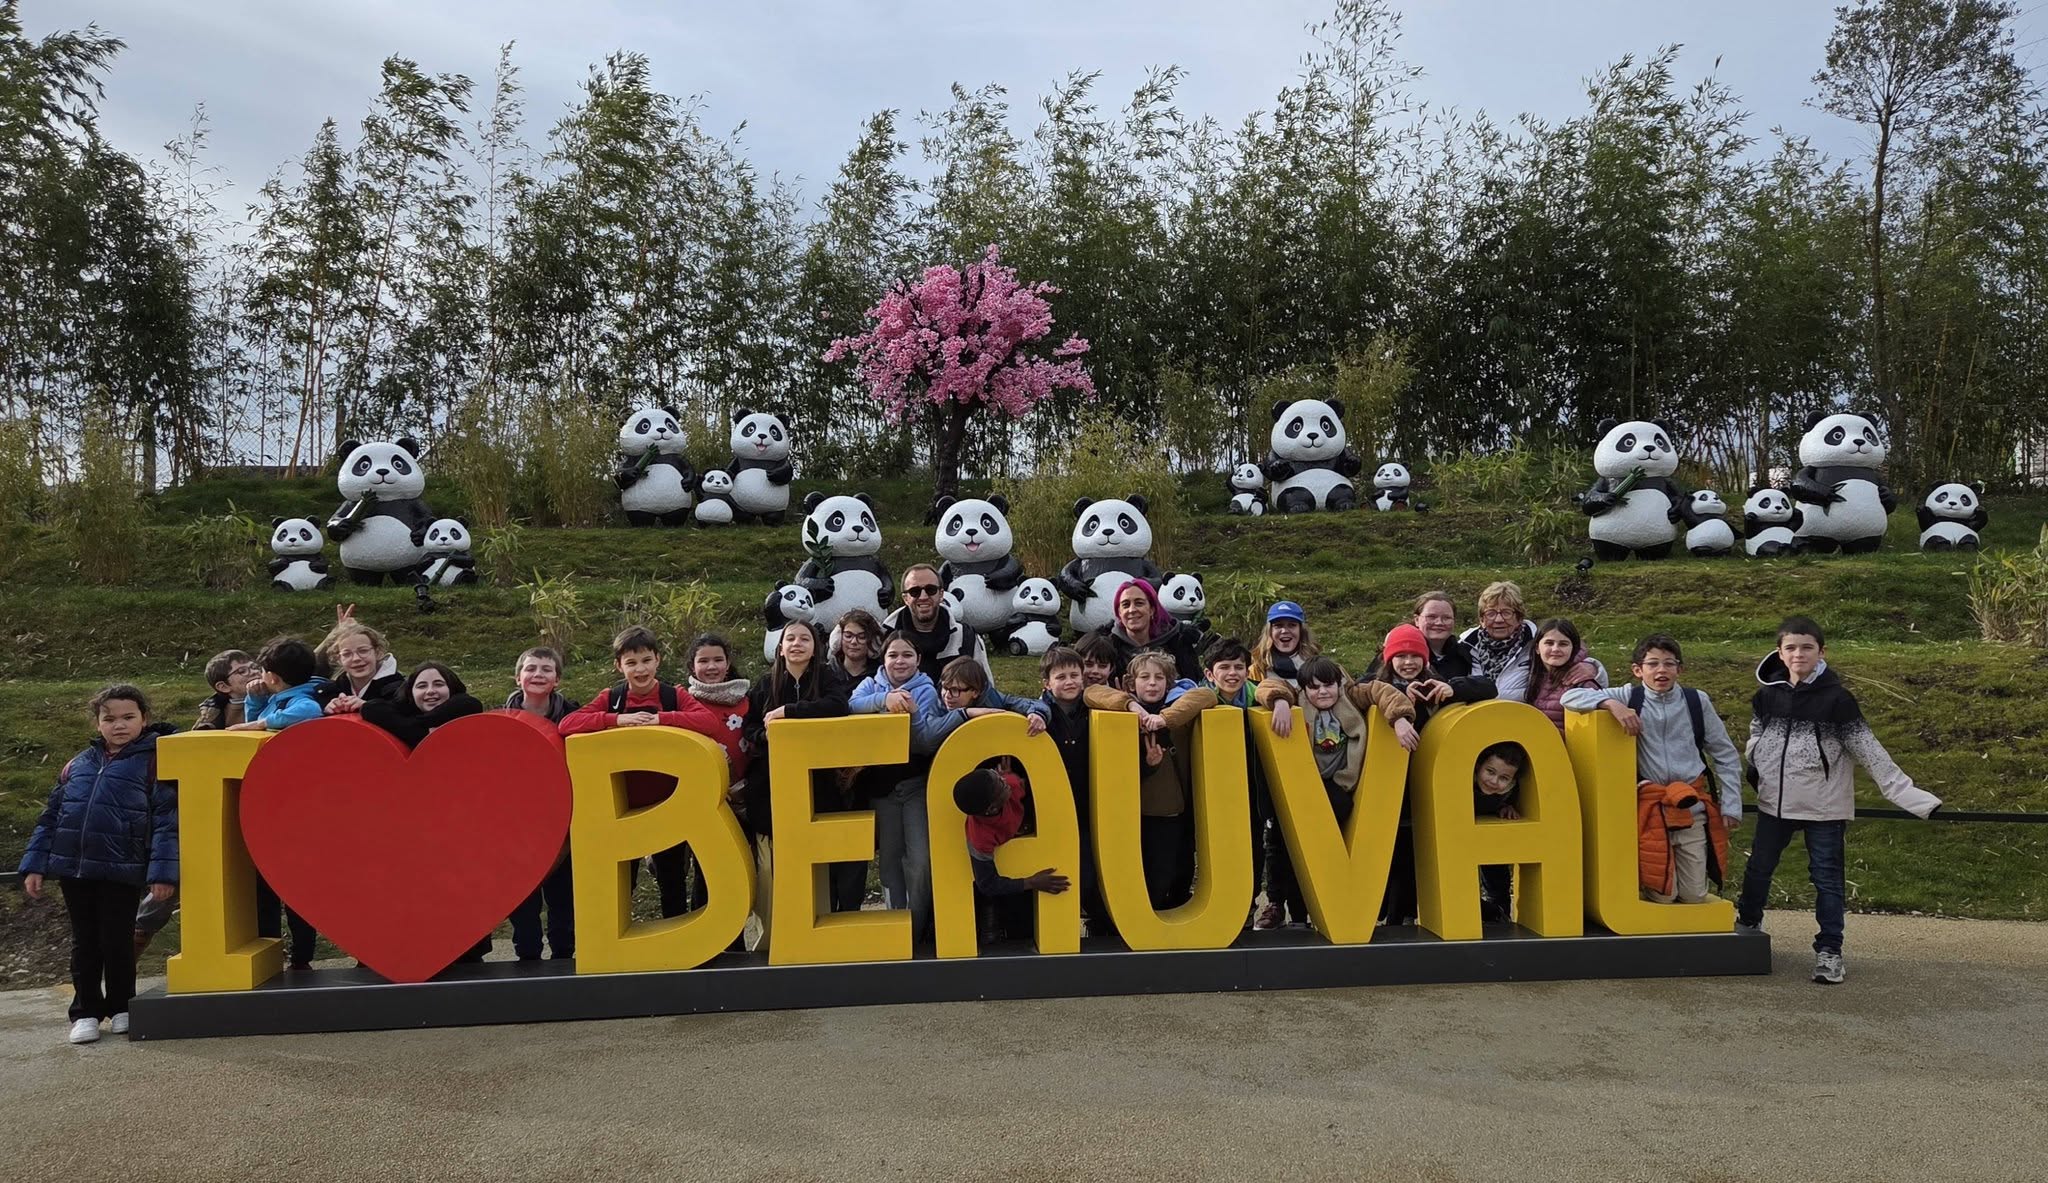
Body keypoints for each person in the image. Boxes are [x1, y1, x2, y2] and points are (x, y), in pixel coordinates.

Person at [1734, 617, 1940, 985]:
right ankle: (1747, 926)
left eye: (1807, 647)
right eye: (1791, 647)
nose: (1799, 654)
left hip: (1824, 807)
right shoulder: (1766, 695)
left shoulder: (1838, 700)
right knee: (1758, 869)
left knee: (1827, 880)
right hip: (1773, 804)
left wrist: (1911, 797)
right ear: (1780, 653)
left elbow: (1869, 750)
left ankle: (1830, 951)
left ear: (1821, 652)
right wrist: (1757, 760)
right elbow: (1756, 734)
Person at [18, 685, 178, 1044]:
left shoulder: (156, 762)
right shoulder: (78, 764)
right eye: (109, 718)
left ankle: (122, 1006)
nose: (119, 725)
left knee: (118, 940)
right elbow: (51, 818)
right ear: (98, 723)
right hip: (74, 870)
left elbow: (167, 822)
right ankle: (85, 1012)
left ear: (144, 719)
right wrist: (35, 865)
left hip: (122, 869)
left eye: (128, 717)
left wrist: (162, 873)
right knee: (85, 942)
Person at [1563, 634, 1743, 907]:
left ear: (1680, 669)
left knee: (1694, 895)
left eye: (1669, 664)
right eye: (1653, 664)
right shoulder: (1630, 696)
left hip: (1691, 808)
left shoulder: (1696, 701)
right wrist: (1611, 704)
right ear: (1638, 670)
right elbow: (1570, 696)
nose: (1662, 670)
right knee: (1663, 895)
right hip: (1652, 810)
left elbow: (1725, 753)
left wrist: (1732, 804)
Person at [559, 627, 696, 917]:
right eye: (631, 663)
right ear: (618, 666)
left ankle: (676, 938)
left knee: (672, 880)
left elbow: (707, 721)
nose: (640, 669)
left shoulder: (674, 695)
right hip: (622, 809)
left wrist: (662, 719)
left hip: (668, 804)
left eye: (646, 660)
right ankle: (616, 935)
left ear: (658, 659)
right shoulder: (613, 698)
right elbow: (567, 724)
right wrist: (616, 719)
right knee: (622, 882)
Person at [1366, 623, 1495, 924]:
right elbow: (1360, 690)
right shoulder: (1376, 683)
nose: (1408, 662)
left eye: (1415, 656)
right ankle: (1390, 915)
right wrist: (1401, 693)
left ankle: (1412, 915)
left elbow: (1488, 687)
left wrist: (1454, 689)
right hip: (1389, 786)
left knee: (1420, 853)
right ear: (1388, 659)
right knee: (1393, 853)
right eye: (1401, 656)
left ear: (1425, 659)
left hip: (1429, 786)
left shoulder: (1436, 685)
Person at [848, 629, 966, 940]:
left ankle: (918, 925)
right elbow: (853, 704)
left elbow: (923, 741)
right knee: (889, 861)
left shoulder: (926, 690)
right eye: (893, 655)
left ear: (918, 659)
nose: (900, 661)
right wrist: (884, 700)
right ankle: (895, 923)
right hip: (882, 790)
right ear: (883, 660)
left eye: (907, 655)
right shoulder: (871, 685)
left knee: (919, 860)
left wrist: (909, 713)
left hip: (916, 786)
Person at [1084, 651, 1218, 909]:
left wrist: (1164, 719)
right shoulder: (1124, 705)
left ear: (1168, 683)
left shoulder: (1176, 706)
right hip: (1127, 814)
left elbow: (1207, 695)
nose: (1152, 683)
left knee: (1167, 875)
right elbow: (1091, 692)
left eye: (1159, 678)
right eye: (1145, 677)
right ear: (1131, 683)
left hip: (1168, 811)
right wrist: (1132, 706)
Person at [744, 621, 853, 934]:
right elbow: (750, 728)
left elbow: (838, 706)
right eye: (790, 638)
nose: (796, 644)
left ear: (815, 648)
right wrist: (766, 736)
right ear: (780, 648)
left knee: (816, 865)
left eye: (805, 639)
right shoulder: (765, 684)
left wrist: (789, 712)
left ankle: (817, 930)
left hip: (818, 785)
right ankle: (773, 934)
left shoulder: (827, 678)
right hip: (771, 787)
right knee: (771, 866)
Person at [225, 637, 326, 967]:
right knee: (264, 886)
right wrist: (255, 703)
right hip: (267, 805)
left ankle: (302, 957)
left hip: (294, 807)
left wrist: (259, 722)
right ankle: (270, 951)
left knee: (295, 887)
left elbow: (308, 712)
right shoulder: (275, 699)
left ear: (273, 676)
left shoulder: (303, 700)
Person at [503, 647, 578, 961]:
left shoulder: (573, 717)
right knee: (522, 898)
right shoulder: (499, 721)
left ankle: (564, 956)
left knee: (563, 897)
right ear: (518, 677)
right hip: (515, 827)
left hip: (563, 824)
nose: (538, 675)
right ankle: (527, 957)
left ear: (557, 679)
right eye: (531, 668)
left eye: (546, 669)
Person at [1251, 601, 1322, 928]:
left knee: (1308, 836)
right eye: (1278, 625)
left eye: (1291, 625)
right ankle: (1275, 903)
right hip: (1269, 763)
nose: (1284, 631)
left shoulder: (1316, 664)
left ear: (1301, 629)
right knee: (1276, 838)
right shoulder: (1257, 666)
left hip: (1311, 759)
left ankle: (1305, 909)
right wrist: (1279, 697)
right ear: (1269, 630)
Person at [673, 634, 754, 913]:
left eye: (718, 660)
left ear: (728, 663)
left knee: (740, 869)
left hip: (741, 800)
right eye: (703, 661)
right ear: (692, 665)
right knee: (706, 872)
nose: (711, 667)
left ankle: (737, 934)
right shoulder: (682, 702)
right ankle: (703, 925)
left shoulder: (747, 701)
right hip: (703, 801)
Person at [1036, 645, 1112, 940]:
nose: (1069, 682)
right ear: (1047, 683)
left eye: (1074, 675)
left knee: (1091, 869)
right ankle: (1058, 927)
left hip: (1088, 802)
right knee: (1057, 869)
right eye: (1061, 677)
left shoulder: (1095, 708)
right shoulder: (1037, 713)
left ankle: (1097, 922)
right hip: (1050, 806)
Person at [952, 766, 1070, 943]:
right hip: (1015, 866)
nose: (1004, 780)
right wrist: (1031, 882)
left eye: (997, 775)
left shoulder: (1011, 783)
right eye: (999, 784)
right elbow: (987, 884)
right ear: (991, 808)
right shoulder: (980, 838)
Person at [880, 563, 992, 683]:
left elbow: (985, 687)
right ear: (905, 598)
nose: (923, 597)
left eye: (931, 590)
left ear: (941, 594)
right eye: (915, 591)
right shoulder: (883, 636)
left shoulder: (965, 637)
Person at [1093, 578, 1203, 681]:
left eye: (1139, 603)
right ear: (1119, 613)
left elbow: (1194, 683)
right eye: (1125, 605)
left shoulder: (1178, 642)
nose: (1132, 610)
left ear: (1152, 609)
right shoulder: (1108, 647)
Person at [359, 662, 484, 748]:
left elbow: (471, 703)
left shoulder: (462, 706)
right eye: (422, 686)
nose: (430, 691)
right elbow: (371, 708)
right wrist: (423, 732)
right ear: (411, 693)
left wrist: (415, 726)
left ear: (451, 689)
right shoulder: (404, 707)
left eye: (438, 684)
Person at [1459, 581, 1538, 701]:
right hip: (1476, 713)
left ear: (1519, 618)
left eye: (1507, 613)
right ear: (1482, 620)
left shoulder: (1537, 646)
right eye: (1491, 613)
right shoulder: (1465, 647)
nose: (1499, 619)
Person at [1473, 743, 1525, 922]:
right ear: (1478, 766)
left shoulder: (1511, 790)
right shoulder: (1464, 780)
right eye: (1490, 771)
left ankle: (1501, 915)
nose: (1494, 781)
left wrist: (1505, 806)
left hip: (1489, 834)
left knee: (1497, 872)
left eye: (1504, 778)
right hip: (1458, 834)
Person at [1523, 617, 1602, 730]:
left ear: (1573, 649)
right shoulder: (1532, 676)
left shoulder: (1582, 682)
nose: (1555, 649)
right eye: (1549, 643)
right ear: (1537, 648)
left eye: (1563, 644)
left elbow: (1589, 729)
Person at [313, 620, 406, 712]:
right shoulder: (328, 691)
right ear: (338, 659)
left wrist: (369, 707)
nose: (356, 659)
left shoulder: (401, 689)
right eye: (346, 654)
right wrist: (325, 710)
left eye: (363, 651)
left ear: (378, 653)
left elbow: (406, 718)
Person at [192, 648, 255, 731]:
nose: (254, 672)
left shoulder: (272, 699)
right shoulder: (212, 714)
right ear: (223, 687)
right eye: (242, 671)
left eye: (254, 667)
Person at [830, 608, 883, 683]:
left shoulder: (881, 676)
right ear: (838, 637)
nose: (853, 642)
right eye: (848, 636)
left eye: (862, 637)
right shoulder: (825, 673)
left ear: (873, 642)